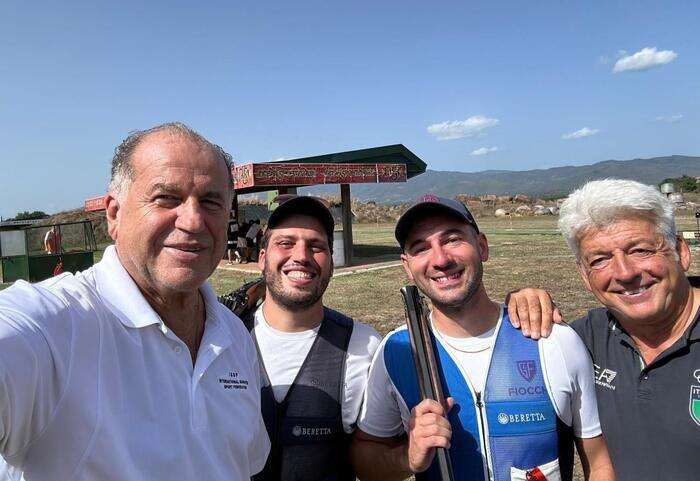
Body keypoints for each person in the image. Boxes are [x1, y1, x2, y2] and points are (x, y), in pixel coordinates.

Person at [0, 122, 269, 480]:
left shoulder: (233, 336)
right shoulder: (56, 327)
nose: (193, 220)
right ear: (114, 214)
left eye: (211, 201)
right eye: (166, 198)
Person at [351, 195, 615, 481]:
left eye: (452, 239)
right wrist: (407, 457)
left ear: (482, 246)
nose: (440, 259)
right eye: (421, 248)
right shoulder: (397, 351)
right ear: (407, 266)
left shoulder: (553, 340)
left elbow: (599, 462)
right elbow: (366, 461)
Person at [555, 179, 700, 481]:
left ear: (681, 252)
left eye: (641, 250)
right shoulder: (582, 340)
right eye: (600, 259)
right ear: (584, 276)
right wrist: (524, 299)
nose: (625, 272)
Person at [241, 195, 382, 481]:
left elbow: (375, 458)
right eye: (285, 243)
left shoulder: (364, 347)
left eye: (316, 246)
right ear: (262, 258)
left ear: (331, 264)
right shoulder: (222, 338)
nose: (301, 256)